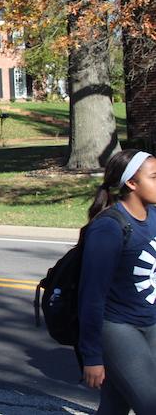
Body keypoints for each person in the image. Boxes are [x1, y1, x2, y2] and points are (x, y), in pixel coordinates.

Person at [79, 150, 156, 414]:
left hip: (151, 322)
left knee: (115, 404)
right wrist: (92, 356)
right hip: (118, 327)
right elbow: (91, 296)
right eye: (155, 177)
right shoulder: (109, 228)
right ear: (132, 184)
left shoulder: (154, 216)